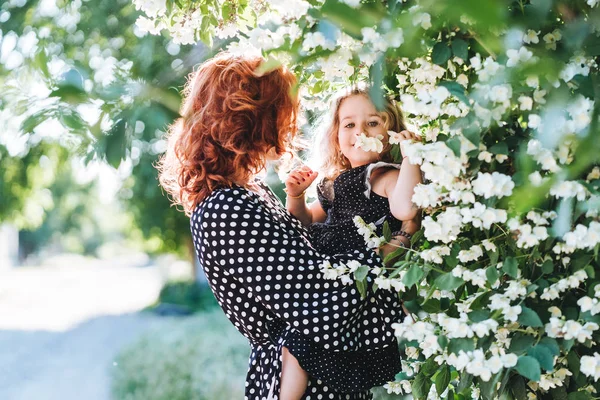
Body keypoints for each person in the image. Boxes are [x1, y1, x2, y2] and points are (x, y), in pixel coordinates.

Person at [158, 53, 404, 400]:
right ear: (250, 116)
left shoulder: (248, 191)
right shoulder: (225, 208)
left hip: (323, 373)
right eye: (282, 107)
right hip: (303, 381)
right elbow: (321, 300)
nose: (291, 118)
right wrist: (400, 241)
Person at [285, 88, 422, 257]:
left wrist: (411, 157)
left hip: (358, 269)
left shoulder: (388, 177)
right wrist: (296, 196)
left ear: (393, 134)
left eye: (372, 123)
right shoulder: (336, 182)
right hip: (322, 266)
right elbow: (307, 221)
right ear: (336, 138)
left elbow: (407, 210)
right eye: (349, 125)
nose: (360, 132)